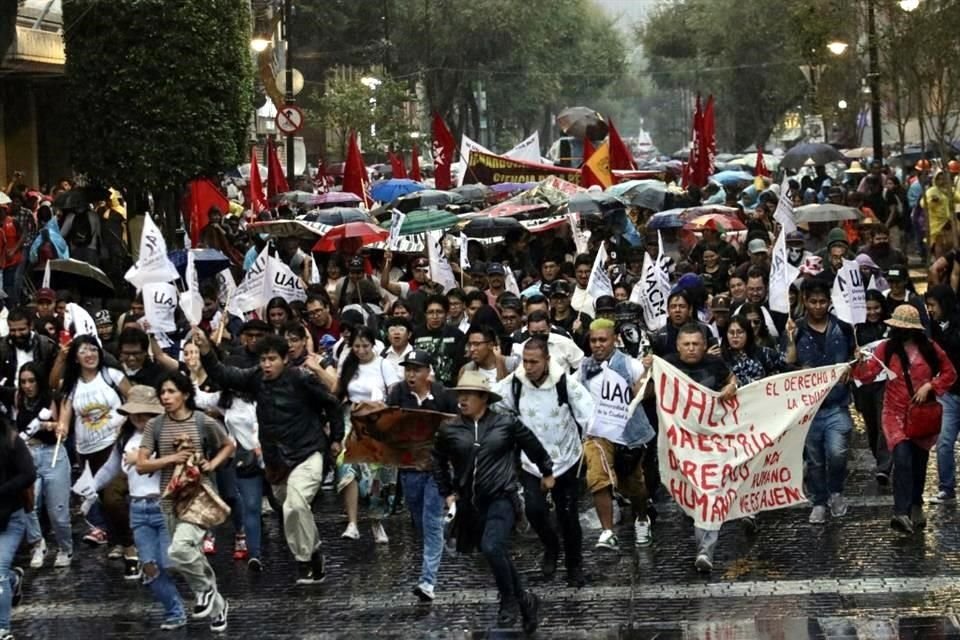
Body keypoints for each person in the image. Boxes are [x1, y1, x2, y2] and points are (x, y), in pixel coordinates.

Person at [195, 330, 342, 584]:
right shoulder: (255, 379)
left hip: (308, 451)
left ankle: (304, 561)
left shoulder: (301, 379)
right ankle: (314, 550)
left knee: (296, 505)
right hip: (276, 461)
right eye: (263, 359)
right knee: (291, 509)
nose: (266, 365)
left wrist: (336, 437)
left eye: (272, 359)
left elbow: (331, 403)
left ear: (285, 359)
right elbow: (223, 374)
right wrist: (206, 350)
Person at [432, 370, 554, 633]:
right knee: (495, 551)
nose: (462, 400)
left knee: (492, 545)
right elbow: (437, 459)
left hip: (502, 497)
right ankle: (525, 600)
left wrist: (546, 471)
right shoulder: (449, 429)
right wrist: (447, 491)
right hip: (469, 505)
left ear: (484, 398)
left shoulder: (506, 423)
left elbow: (533, 445)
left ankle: (508, 601)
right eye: (460, 395)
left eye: (469, 395)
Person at [136, 373, 234, 633]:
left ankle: (205, 591)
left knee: (179, 550)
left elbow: (228, 445)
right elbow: (142, 465)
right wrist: (172, 459)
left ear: (186, 394)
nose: (166, 397)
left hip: (198, 498)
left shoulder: (202, 421)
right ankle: (217, 605)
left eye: (171, 391)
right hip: (170, 500)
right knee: (189, 556)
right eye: (162, 392)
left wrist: (211, 464)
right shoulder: (155, 426)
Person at [494, 337, 594, 587]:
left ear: (547, 360)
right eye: (525, 362)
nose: (529, 367)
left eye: (534, 362)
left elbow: (588, 414)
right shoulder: (514, 384)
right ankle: (551, 546)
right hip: (532, 461)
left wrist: (593, 441)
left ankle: (574, 566)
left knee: (568, 515)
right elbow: (493, 404)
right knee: (534, 510)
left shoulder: (565, 383)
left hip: (566, 458)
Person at [89, 385, 188, 628]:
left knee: (170, 561)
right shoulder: (125, 438)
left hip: (163, 505)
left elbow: (180, 463)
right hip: (138, 507)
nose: (139, 418)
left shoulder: (167, 434)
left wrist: (142, 459)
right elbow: (111, 467)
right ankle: (175, 611)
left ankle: (206, 591)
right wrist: (89, 491)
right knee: (150, 565)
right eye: (135, 414)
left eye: (145, 414)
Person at [853, 305, 957, 534]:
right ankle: (900, 511)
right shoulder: (886, 348)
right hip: (894, 414)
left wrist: (930, 385)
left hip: (921, 414)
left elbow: (950, 373)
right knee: (902, 458)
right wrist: (859, 363)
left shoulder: (930, 348)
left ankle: (916, 502)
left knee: (919, 462)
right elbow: (867, 375)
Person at [662, 322, 740, 571]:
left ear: (705, 345)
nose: (691, 348)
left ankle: (706, 550)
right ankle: (700, 537)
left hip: (710, 442)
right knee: (693, 494)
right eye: (686, 344)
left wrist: (731, 386)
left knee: (709, 492)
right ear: (678, 345)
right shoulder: (667, 364)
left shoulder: (715, 364)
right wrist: (647, 370)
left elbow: (731, 378)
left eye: (696, 344)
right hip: (680, 443)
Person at [385, 350, 457, 602]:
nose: (411, 375)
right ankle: (444, 531)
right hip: (409, 468)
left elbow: (456, 426)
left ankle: (428, 581)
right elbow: (388, 424)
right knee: (419, 520)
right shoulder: (398, 393)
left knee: (430, 520)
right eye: (408, 369)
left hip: (437, 469)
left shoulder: (443, 394)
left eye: (416, 369)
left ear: (428, 371)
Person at [580, 319, 655, 551]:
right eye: (593, 340)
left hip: (627, 436)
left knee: (634, 485)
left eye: (603, 340)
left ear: (614, 340)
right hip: (597, 435)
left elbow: (647, 391)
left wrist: (646, 375)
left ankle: (641, 518)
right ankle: (607, 531)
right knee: (598, 478)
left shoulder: (630, 365)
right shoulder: (584, 367)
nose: (598, 345)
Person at [785, 277, 855, 524]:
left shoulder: (843, 328)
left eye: (822, 302)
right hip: (809, 409)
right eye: (813, 302)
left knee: (837, 452)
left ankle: (836, 491)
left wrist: (852, 365)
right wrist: (791, 340)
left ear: (829, 302)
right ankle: (818, 501)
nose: (817, 306)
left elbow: (855, 358)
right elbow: (787, 364)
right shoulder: (796, 329)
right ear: (805, 301)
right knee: (814, 459)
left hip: (837, 404)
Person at [56, 335, 133, 552]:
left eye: (93, 349)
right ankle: (115, 541)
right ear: (76, 358)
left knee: (112, 497)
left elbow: (134, 399)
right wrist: (61, 428)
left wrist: (125, 421)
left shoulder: (112, 375)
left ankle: (128, 542)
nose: (89, 355)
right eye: (83, 351)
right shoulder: (72, 385)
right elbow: (65, 415)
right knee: (99, 496)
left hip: (113, 445)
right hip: (86, 450)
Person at [329, 326, 400, 543]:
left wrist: (377, 405)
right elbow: (337, 392)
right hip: (352, 420)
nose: (361, 350)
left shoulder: (383, 365)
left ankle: (377, 521)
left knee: (377, 474)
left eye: (365, 346)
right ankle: (352, 523)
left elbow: (394, 394)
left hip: (378, 422)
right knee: (346, 466)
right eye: (357, 346)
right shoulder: (348, 365)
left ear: (373, 345)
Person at [16, 362, 72, 570]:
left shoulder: (53, 398)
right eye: (23, 382)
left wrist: (49, 425)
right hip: (28, 454)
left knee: (58, 510)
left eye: (31, 381)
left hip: (52, 454)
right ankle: (37, 544)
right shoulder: (19, 398)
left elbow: (63, 426)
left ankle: (65, 548)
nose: (27, 386)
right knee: (29, 505)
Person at [0, 411, 36, 640]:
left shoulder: (11, 440)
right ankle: (13, 579)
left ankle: (2, 629)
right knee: (2, 573)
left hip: (10, 516)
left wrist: (2, 491)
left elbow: (28, 474)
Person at [924, 285, 960, 504]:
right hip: (948, 394)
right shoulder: (933, 326)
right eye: (928, 305)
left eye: (933, 305)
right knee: (944, 442)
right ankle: (947, 487)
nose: (930, 310)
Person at [855, 290, 893, 485]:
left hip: (885, 382)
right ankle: (880, 459)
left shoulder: (890, 327)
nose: (872, 312)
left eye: (876, 308)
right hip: (864, 384)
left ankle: (884, 466)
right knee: (871, 426)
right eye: (868, 309)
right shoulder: (855, 329)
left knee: (883, 423)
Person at [721, 314, 792, 386]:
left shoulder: (762, 353)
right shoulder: (720, 358)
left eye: (740, 332)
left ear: (747, 334)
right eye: (731, 332)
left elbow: (789, 360)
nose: (735, 336)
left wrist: (790, 336)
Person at [412, 294, 466, 388]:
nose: (435, 316)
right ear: (425, 314)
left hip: (449, 388)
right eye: (430, 312)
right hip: (421, 387)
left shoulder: (457, 335)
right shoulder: (415, 334)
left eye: (439, 312)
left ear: (447, 314)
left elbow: (461, 365)